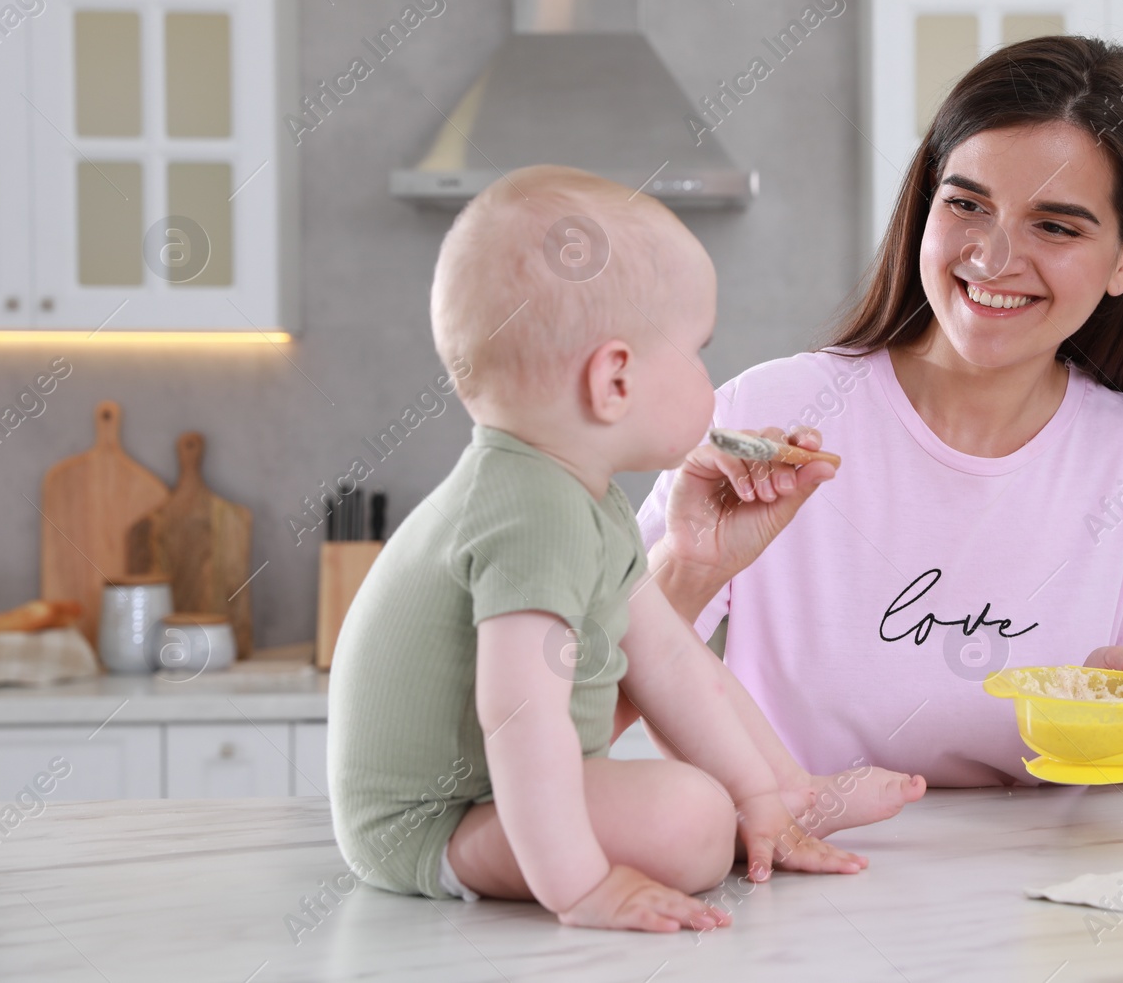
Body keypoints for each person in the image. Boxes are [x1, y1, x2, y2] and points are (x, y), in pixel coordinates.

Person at [328, 166, 898, 935]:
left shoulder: (578, 496)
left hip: (486, 799)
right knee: (690, 817)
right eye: (698, 351)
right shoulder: (529, 511)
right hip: (433, 826)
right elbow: (519, 715)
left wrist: (759, 794)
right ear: (615, 379)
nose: (709, 378)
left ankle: (788, 801)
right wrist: (583, 887)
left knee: (705, 775)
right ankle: (720, 819)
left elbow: (671, 664)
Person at [633, 35, 1123, 788]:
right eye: (967, 203)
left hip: (1033, 882)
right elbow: (606, 684)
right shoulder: (770, 415)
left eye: (1056, 226)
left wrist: (1119, 716)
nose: (995, 258)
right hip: (796, 870)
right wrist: (687, 569)